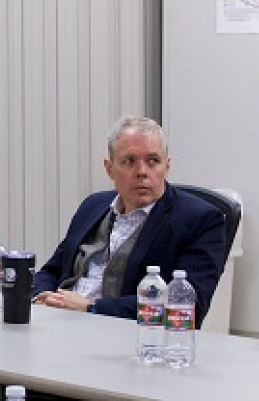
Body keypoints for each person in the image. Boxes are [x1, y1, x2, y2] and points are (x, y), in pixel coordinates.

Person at [32, 116, 228, 326]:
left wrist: (91, 307)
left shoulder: (201, 219)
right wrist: (44, 297)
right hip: (60, 322)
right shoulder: (93, 205)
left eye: (153, 161)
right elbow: (53, 270)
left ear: (167, 166)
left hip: (127, 336)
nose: (142, 172)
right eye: (129, 161)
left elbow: (187, 305)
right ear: (109, 168)